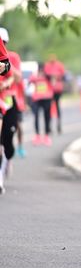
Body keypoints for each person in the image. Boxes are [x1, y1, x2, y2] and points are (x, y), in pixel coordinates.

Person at [0, 29, 23, 193]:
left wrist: (6, 82)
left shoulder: (12, 57)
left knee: (8, 138)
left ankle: (7, 158)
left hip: (8, 99)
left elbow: (16, 76)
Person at [29, 64, 54, 146]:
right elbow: (30, 80)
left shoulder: (48, 76)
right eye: (39, 70)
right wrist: (36, 76)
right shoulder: (35, 76)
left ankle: (46, 136)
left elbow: (53, 81)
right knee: (36, 116)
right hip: (37, 99)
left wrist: (46, 75)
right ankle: (37, 135)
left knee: (47, 117)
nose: (41, 71)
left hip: (46, 98)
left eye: (42, 70)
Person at [43, 53, 66, 133]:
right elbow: (46, 75)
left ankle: (58, 124)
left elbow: (63, 75)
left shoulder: (59, 65)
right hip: (49, 90)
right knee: (49, 108)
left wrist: (56, 76)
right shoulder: (47, 65)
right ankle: (49, 126)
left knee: (57, 106)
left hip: (57, 90)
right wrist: (52, 76)